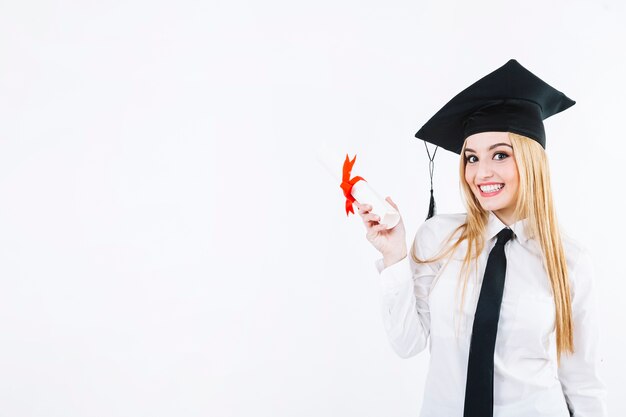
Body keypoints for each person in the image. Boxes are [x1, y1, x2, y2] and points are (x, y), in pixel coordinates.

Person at [355, 60, 607, 417]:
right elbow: (407, 342)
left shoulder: (569, 259)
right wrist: (394, 256)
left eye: (500, 154)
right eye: (471, 157)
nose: (481, 172)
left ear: (532, 161)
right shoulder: (438, 238)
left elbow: (582, 382)